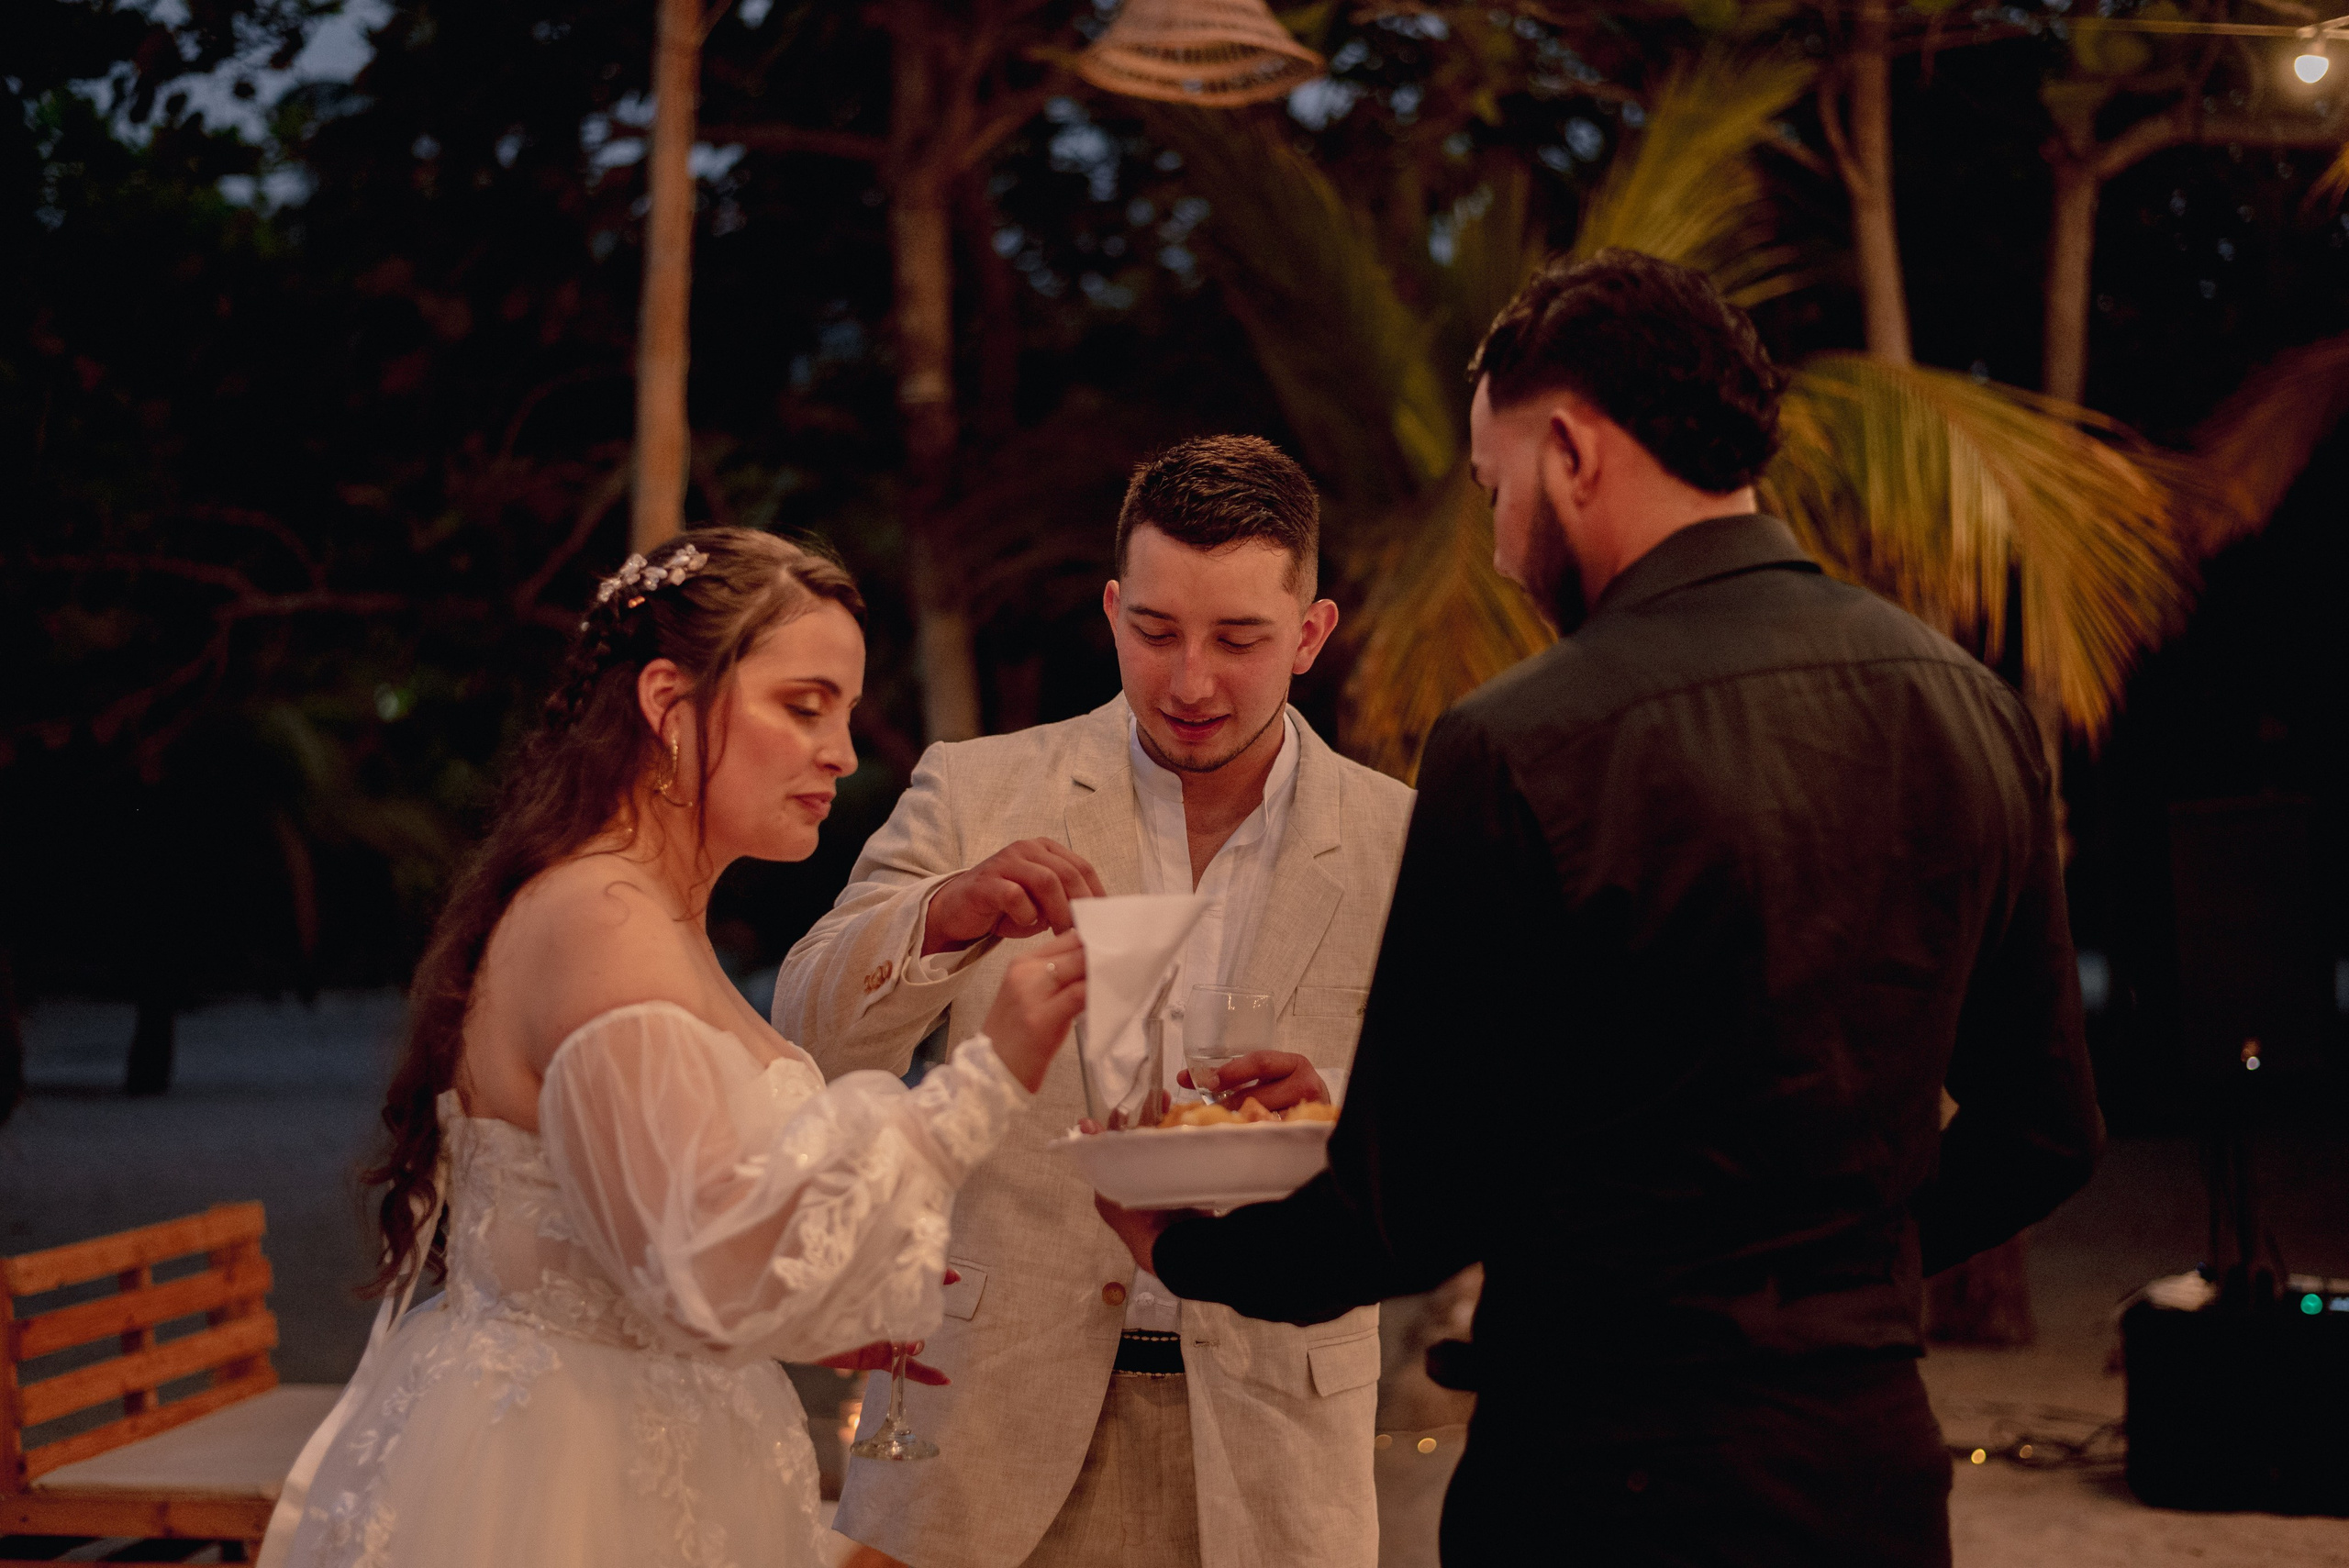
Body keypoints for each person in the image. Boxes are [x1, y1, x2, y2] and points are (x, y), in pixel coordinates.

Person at [1096, 251, 2105, 1566]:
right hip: (1870, 1467)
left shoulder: (1522, 744)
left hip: (1599, 1476)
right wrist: (1857, 1270)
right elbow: (2047, 1131)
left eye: (1496, 488)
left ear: (1571, 451)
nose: (1505, 547)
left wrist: (1191, 1252)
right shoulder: (1971, 705)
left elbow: (1417, 1206)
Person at [261, 528, 1086, 1568]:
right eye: (803, 704)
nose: (840, 749)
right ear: (666, 701)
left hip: (673, 1457)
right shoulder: (603, 916)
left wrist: (825, 1307)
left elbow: (669, 1219)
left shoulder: (650, 913)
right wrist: (990, 1071)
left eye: (841, 710)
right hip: (563, 1482)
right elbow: (694, 1262)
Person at [774, 435, 1412, 1568]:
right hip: (984, 1430)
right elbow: (802, 1030)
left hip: (1274, 1443)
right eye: (1156, 631)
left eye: (1240, 638)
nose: (1190, 681)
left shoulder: (1403, 840)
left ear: (1310, 633)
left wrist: (1344, 1111)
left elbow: (1474, 1113)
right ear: (1112, 609)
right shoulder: (974, 787)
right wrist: (941, 914)